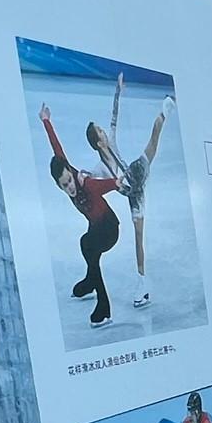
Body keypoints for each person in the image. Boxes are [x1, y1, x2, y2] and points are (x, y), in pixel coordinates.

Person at [85, 72, 170, 310]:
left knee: (153, 139)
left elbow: (115, 115)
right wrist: (81, 174)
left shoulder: (111, 141)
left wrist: (117, 91)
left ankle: (164, 113)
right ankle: (142, 283)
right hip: (134, 195)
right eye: (100, 132)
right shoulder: (100, 168)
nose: (104, 131)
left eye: (102, 130)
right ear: (98, 141)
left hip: (135, 173)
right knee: (138, 236)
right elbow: (91, 181)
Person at [41, 102, 121, 327]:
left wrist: (117, 183)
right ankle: (89, 281)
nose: (70, 187)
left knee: (87, 244)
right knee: (90, 249)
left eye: (69, 181)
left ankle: (104, 307)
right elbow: (57, 149)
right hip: (96, 227)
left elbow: (102, 186)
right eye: (64, 185)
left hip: (109, 229)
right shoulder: (64, 175)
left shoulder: (84, 183)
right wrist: (46, 121)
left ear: (71, 172)